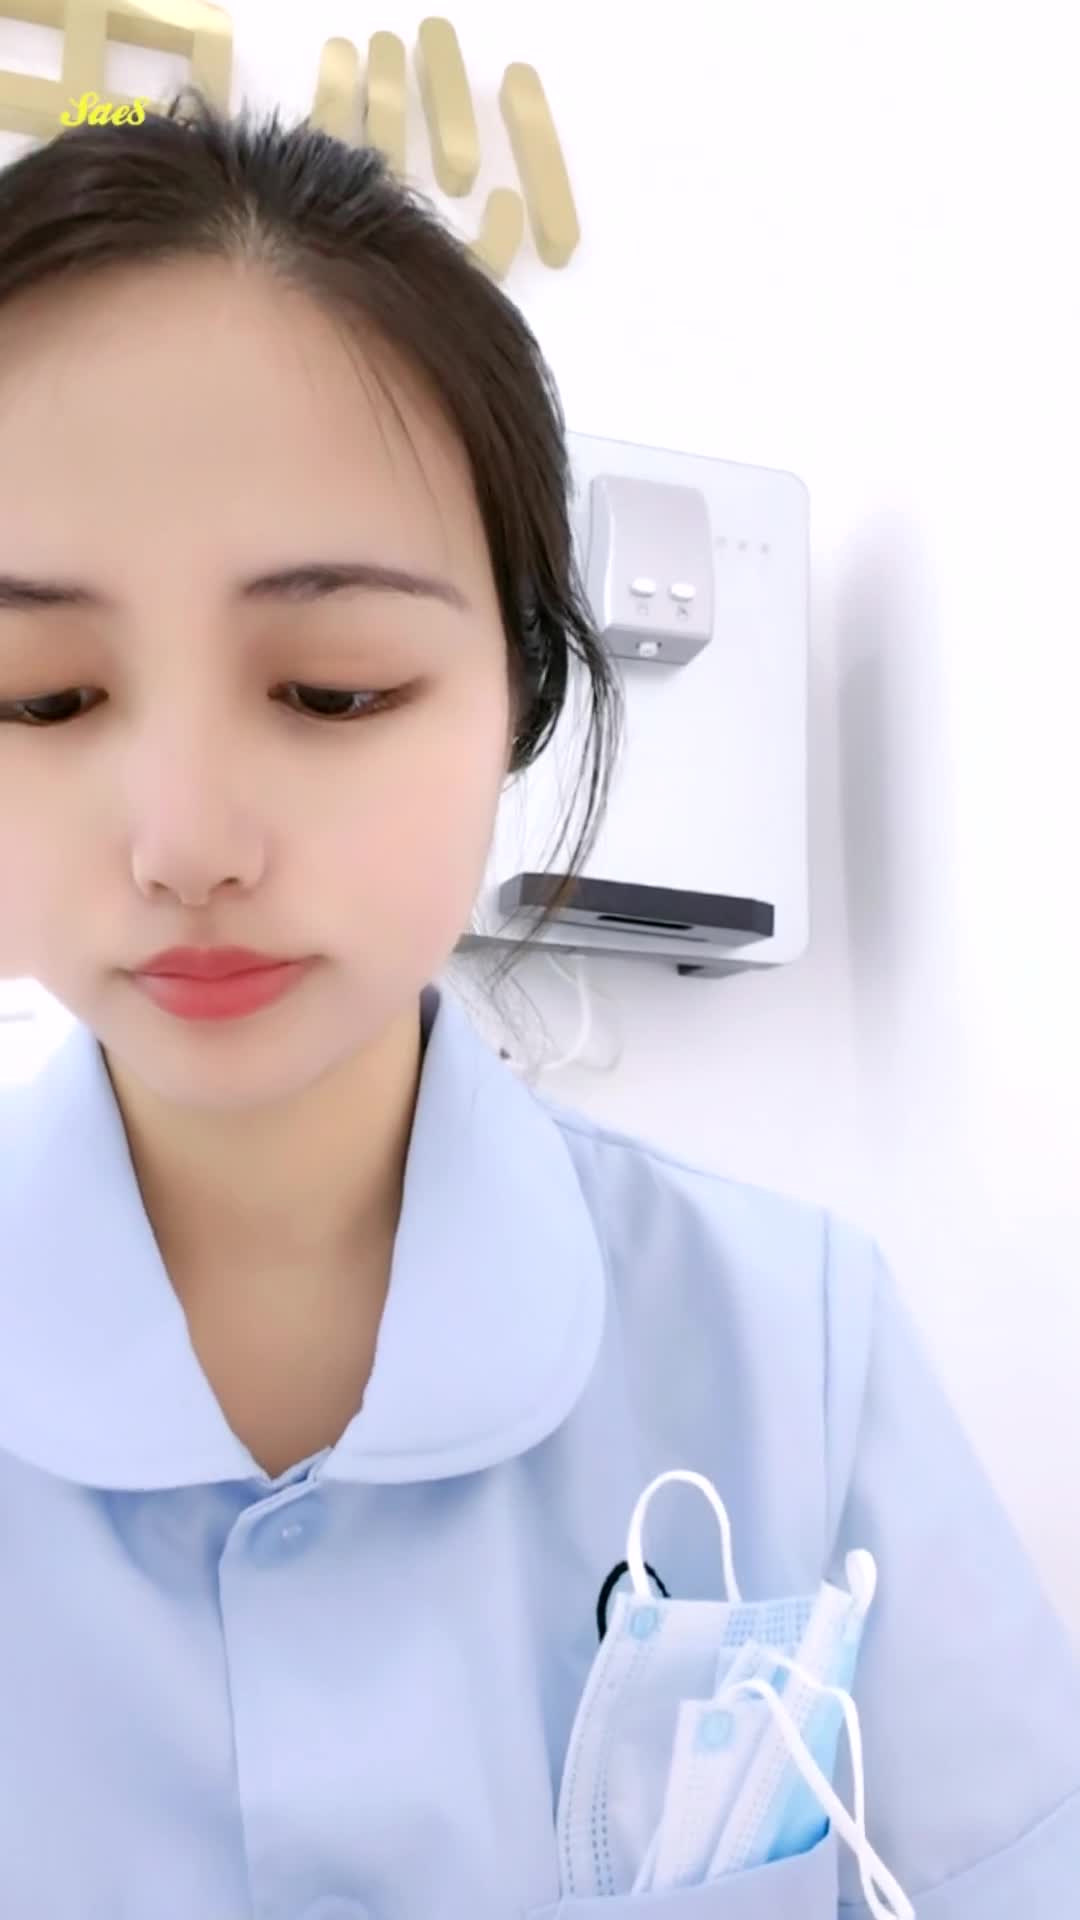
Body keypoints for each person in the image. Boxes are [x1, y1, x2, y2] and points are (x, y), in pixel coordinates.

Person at [0, 88, 1077, 1920]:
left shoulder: (794, 1347)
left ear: (521, 693)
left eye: (331, 690)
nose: (186, 844)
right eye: (40, 697)